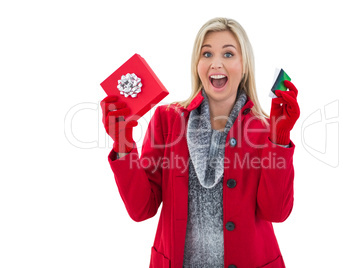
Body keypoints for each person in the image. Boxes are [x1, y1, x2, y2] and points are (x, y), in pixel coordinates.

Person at [101, 17, 300, 268]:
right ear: (197, 64)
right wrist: (123, 145)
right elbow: (142, 208)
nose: (216, 63)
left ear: (245, 65)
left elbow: (276, 213)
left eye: (228, 54)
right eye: (206, 54)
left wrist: (279, 140)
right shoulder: (167, 120)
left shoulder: (264, 129)